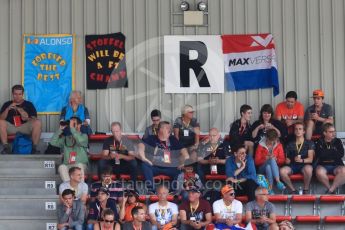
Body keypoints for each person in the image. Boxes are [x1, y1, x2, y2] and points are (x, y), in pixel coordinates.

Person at [139, 121, 189, 193]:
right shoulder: (151, 138)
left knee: (179, 170)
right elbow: (141, 146)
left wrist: (183, 162)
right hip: (154, 166)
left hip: (169, 166)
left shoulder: (173, 139)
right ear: (160, 129)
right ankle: (151, 190)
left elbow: (184, 152)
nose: (170, 130)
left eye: (170, 128)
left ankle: (173, 191)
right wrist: (143, 157)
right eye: (167, 128)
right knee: (145, 165)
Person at [0, 84, 42, 154]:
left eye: (20, 94)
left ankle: (34, 148)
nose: (17, 96)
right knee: (0, 122)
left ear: (23, 94)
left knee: (38, 122)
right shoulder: (7, 104)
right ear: (12, 94)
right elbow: (1, 118)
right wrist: (7, 109)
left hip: (24, 127)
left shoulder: (29, 104)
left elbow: (34, 119)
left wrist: (25, 116)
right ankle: (6, 148)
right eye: (15, 94)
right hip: (11, 127)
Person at [99, 122, 138, 186]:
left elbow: (132, 156)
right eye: (113, 131)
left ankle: (134, 187)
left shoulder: (127, 140)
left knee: (133, 163)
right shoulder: (108, 140)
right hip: (112, 166)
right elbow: (103, 156)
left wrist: (122, 156)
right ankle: (103, 187)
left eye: (117, 131)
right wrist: (110, 156)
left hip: (124, 165)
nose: (115, 133)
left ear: (121, 130)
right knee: (101, 162)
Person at [50, 116, 88, 182]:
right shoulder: (65, 138)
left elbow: (79, 140)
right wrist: (60, 130)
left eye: (73, 123)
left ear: (79, 125)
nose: (71, 126)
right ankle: (69, 189)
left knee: (78, 166)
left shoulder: (84, 136)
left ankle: (81, 188)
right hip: (68, 165)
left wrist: (72, 129)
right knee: (61, 167)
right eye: (70, 124)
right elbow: (53, 142)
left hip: (81, 164)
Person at [279, 122, 314, 194]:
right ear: (294, 131)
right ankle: (293, 190)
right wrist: (287, 160)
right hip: (293, 165)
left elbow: (310, 159)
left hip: (304, 164)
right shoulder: (289, 144)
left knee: (309, 169)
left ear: (304, 131)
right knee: (282, 171)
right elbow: (287, 158)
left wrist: (302, 160)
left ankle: (306, 189)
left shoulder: (309, 143)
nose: (298, 131)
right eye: (296, 129)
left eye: (300, 129)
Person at [315, 123, 345, 194]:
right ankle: (330, 189)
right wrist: (333, 152)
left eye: (334, 131)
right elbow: (319, 154)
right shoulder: (319, 141)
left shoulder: (337, 141)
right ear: (324, 133)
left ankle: (331, 190)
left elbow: (341, 154)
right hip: (323, 165)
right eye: (331, 132)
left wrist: (326, 153)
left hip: (337, 165)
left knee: (344, 171)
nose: (333, 134)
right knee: (319, 172)